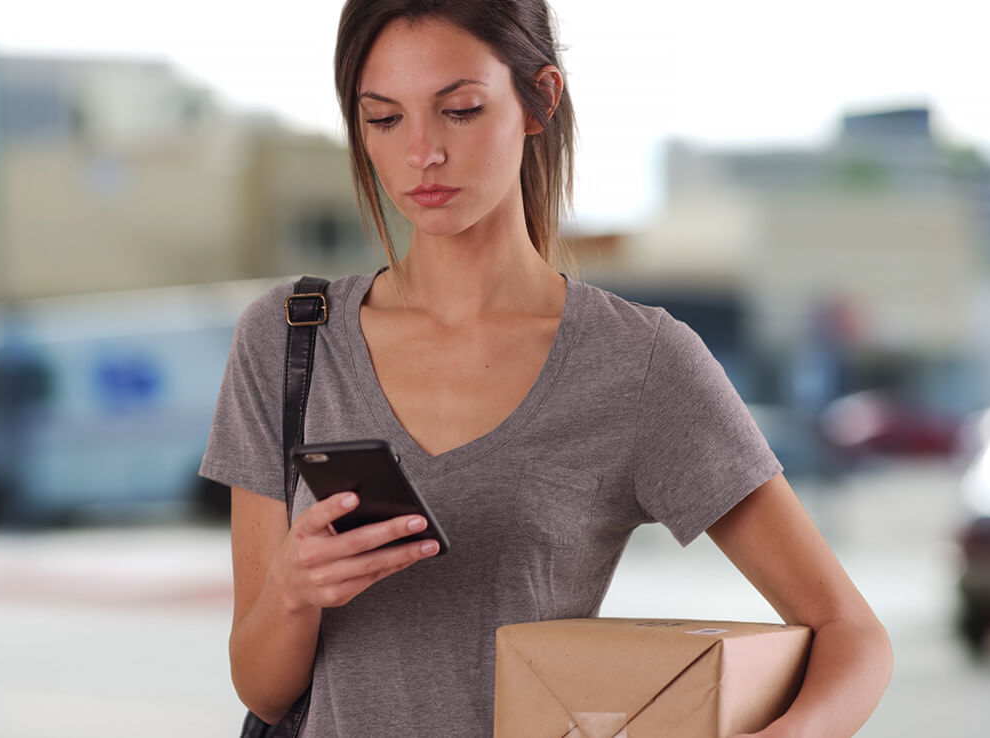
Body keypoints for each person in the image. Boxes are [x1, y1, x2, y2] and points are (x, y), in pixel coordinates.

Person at [200, 1, 893, 736]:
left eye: (460, 110)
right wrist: (294, 591)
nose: (422, 152)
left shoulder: (638, 364)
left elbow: (851, 633)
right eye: (384, 119)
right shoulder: (286, 340)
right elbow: (264, 692)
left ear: (541, 100)